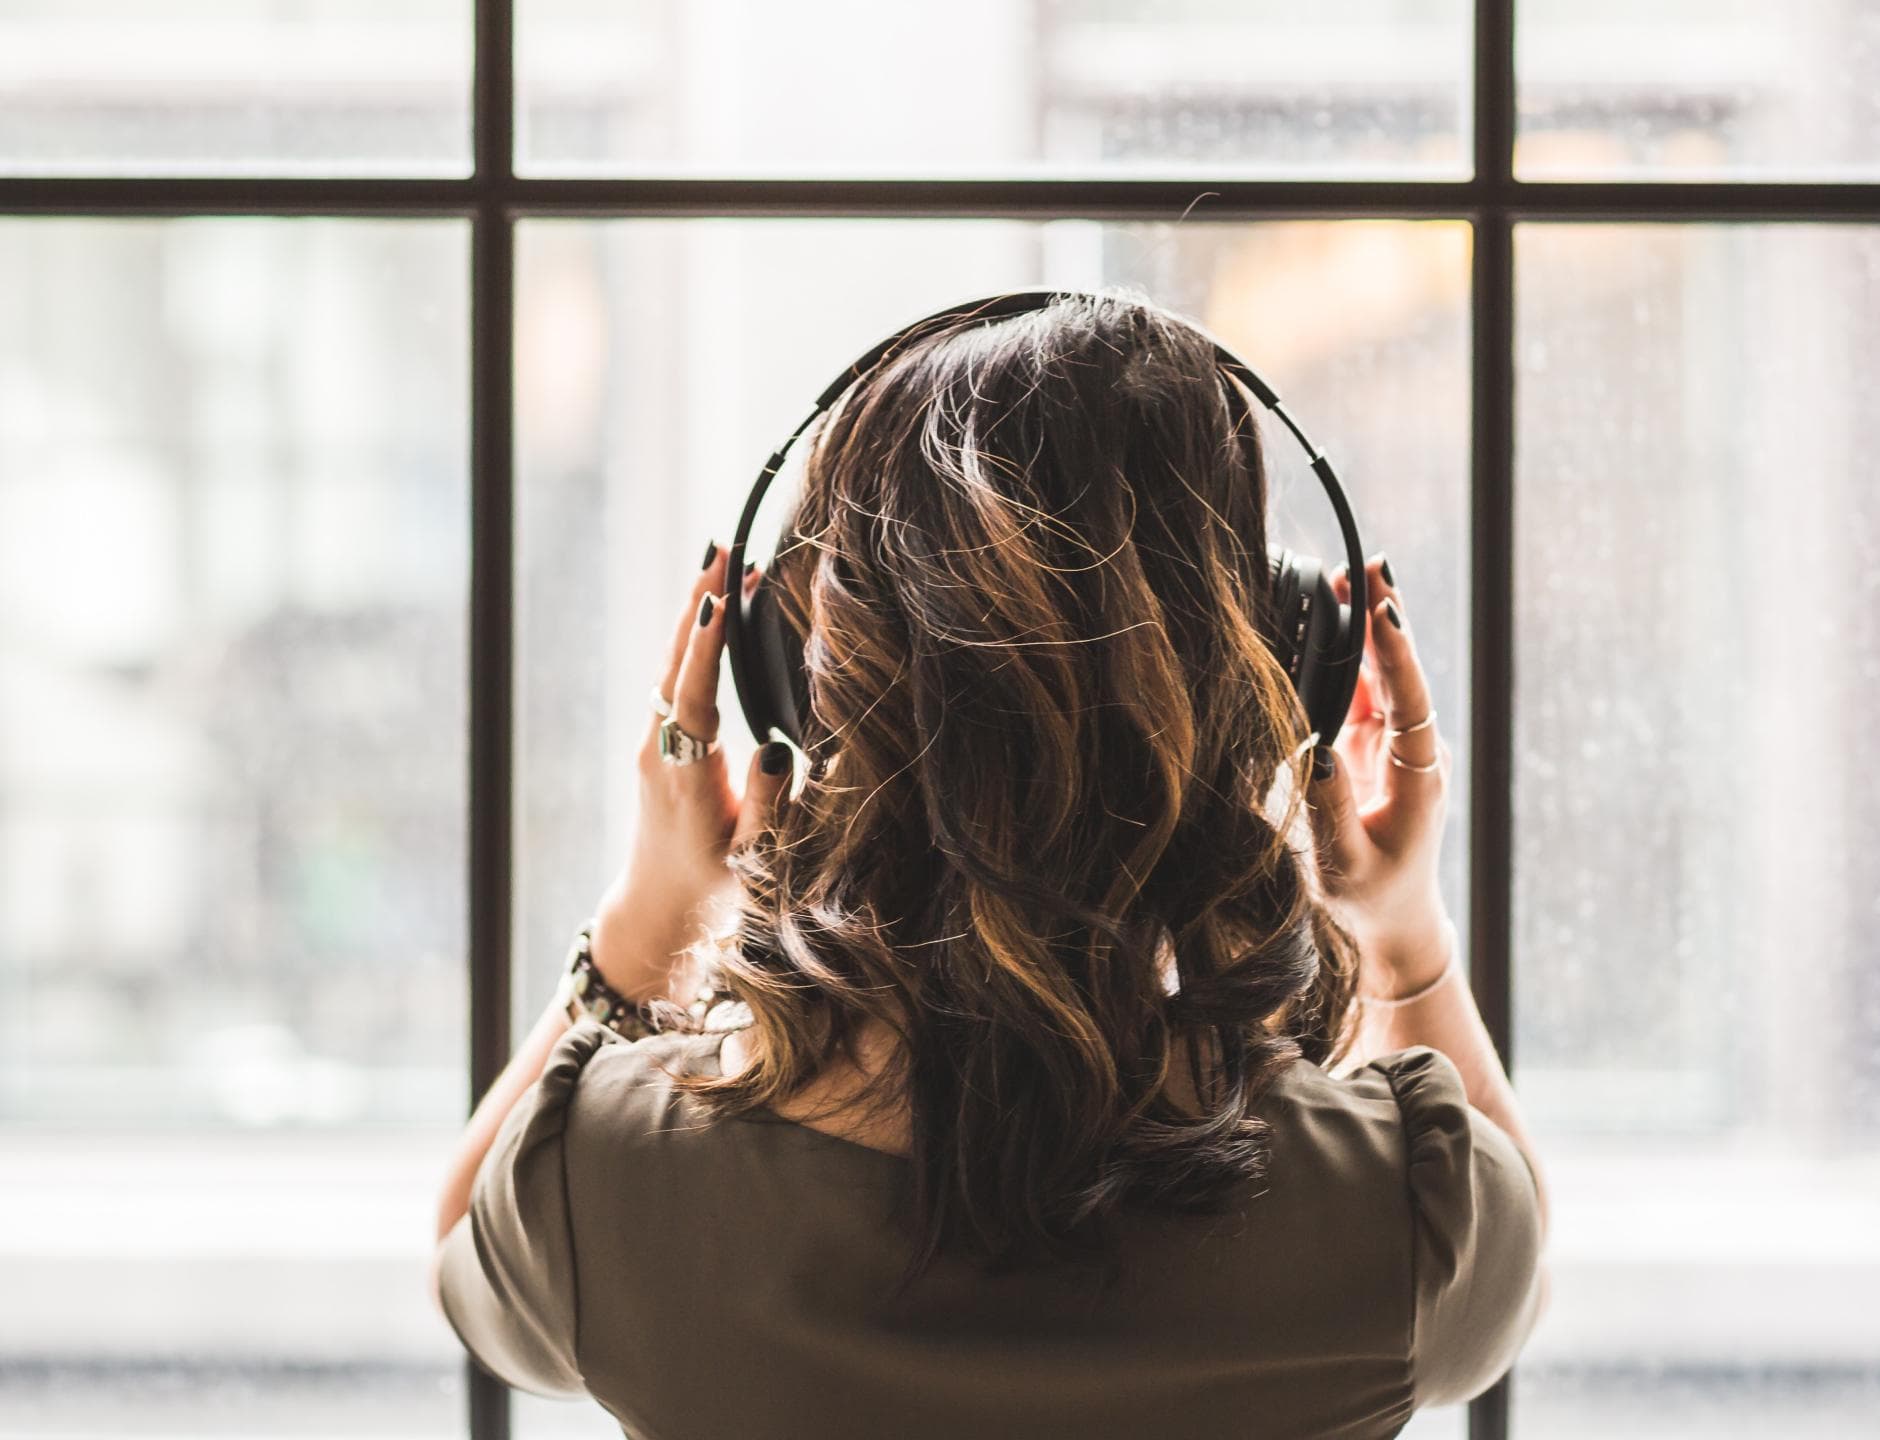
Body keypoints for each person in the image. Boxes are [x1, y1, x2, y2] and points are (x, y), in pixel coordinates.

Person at [430, 290, 1547, 1439]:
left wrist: (651, 913)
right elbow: (1511, 1278)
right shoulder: (1400, 1213)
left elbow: (468, 1254)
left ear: (792, 683)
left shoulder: (610, 1182)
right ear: (1282, 665)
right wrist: (1404, 931)